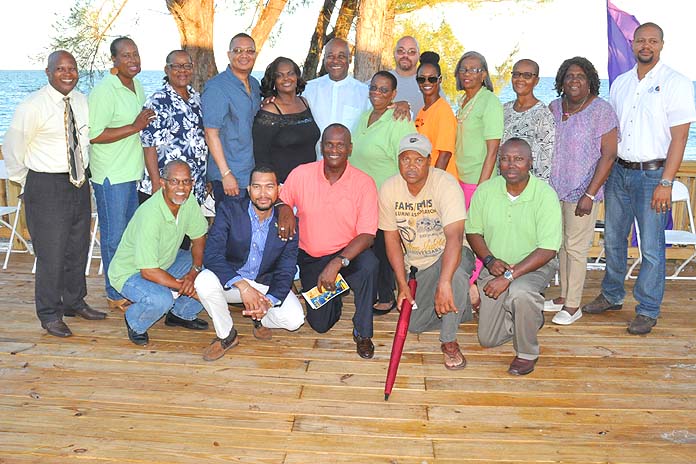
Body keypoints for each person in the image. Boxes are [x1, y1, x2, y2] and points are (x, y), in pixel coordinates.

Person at [582, 22, 696, 335]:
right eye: (641, 40)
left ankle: (647, 308)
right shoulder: (619, 82)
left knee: (651, 247)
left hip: (653, 176)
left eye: (653, 41)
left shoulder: (677, 83)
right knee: (614, 239)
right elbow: (611, 131)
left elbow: (680, 138)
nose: (646, 45)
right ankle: (612, 294)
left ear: (662, 44)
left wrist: (667, 182)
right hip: (619, 172)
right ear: (633, 44)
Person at [3, 50, 106, 337]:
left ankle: (74, 301)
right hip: (46, 185)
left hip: (78, 182)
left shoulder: (81, 101)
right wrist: (28, 182)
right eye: (60, 69)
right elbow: (13, 147)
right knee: (51, 253)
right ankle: (49, 314)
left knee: (78, 246)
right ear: (48, 72)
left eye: (72, 68)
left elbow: (85, 142)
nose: (67, 73)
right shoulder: (32, 106)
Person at [280, 124, 379, 359]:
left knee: (370, 265)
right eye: (329, 144)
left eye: (340, 145)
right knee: (320, 325)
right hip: (311, 256)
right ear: (321, 147)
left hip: (347, 255)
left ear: (350, 149)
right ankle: (335, 295)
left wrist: (337, 263)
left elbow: (367, 235)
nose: (334, 150)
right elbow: (281, 199)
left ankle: (363, 332)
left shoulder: (364, 182)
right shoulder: (301, 173)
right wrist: (283, 208)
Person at [466, 138, 561, 376]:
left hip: (534, 265)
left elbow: (548, 249)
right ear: (499, 162)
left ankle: (527, 353)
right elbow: (473, 231)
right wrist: (489, 260)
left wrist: (509, 276)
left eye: (518, 159)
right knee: (488, 339)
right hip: (496, 265)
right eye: (506, 159)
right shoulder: (486, 190)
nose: (511, 164)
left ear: (530, 163)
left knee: (521, 292)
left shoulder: (545, 195)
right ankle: (528, 318)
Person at [380, 133, 475, 369]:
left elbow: (455, 236)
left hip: (450, 254)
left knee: (454, 278)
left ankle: (449, 341)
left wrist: (444, 283)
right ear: (398, 160)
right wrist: (402, 284)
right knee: (414, 324)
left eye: (418, 160)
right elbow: (391, 239)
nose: (411, 166)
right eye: (405, 159)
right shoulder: (390, 188)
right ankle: (464, 302)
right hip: (417, 264)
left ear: (429, 161)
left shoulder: (445, 183)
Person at [194, 165, 305, 360]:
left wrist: (268, 301)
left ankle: (259, 317)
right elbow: (211, 254)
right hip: (233, 281)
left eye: (269, 187)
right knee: (203, 281)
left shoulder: (288, 222)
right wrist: (243, 286)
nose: (263, 193)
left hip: (264, 283)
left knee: (295, 320)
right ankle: (227, 335)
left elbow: (286, 269)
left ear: (278, 190)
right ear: (249, 189)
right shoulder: (230, 210)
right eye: (257, 187)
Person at [545, 57, 619, 325]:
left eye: (580, 76)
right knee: (562, 245)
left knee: (576, 247)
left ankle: (574, 305)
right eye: (569, 76)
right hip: (555, 190)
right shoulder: (554, 107)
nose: (574, 80)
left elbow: (609, 155)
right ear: (561, 81)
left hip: (583, 192)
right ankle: (565, 297)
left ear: (590, 82)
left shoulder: (602, 110)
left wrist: (589, 194)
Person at [108, 161, 209, 346]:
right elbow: (148, 271)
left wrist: (194, 271)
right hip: (131, 272)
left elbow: (199, 236)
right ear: (163, 183)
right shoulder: (150, 215)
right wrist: (184, 286)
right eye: (175, 182)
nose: (181, 188)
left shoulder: (189, 200)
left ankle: (180, 314)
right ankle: (135, 322)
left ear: (192, 183)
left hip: (165, 261)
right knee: (161, 299)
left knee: (208, 269)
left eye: (186, 182)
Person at [89, 37, 155, 311]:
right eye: (126, 55)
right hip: (110, 176)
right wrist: (135, 126)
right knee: (114, 236)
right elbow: (95, 135)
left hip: (132, 174)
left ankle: (126, 284)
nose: (133, 60)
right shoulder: (105, 91)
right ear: (113, 61)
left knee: (128, 237)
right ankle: (114, 291)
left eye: (136, 54)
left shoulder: (137, 86)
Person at [350, 71, 416, 316]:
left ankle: (387, 296)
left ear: (394, 94)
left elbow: (409, 159)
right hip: (360, 197)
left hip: (385, 196)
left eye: (383, 90)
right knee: (366, 247)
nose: (377, 93)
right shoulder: (366, 115)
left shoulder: (399, 119)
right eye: (374, 88)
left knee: (385, 248)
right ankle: (368, 288)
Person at [453, 51, 504, 311]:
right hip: (460, 180)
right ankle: (467, 286)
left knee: (474, 235)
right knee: (462, 235)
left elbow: (493, 150)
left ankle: (472, 292)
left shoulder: (489, 102)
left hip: (478, 182)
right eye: (463, 69)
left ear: (483, 74)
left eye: (473, 69)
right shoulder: (464, 101)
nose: (467, 74)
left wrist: (483, 188)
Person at [139, 50, 208, 205]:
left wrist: (205, 178)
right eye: (176, 66)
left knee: (188, 228)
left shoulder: (197, 99)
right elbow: (149, 145)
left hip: (193, 185)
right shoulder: (157, 101)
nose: (182, 70)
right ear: (166, 69)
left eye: (187, 66)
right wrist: (156, 183)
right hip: (167, 186)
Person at [203, 33, 260, 207]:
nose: (244, 55)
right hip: (229, 176)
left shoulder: (255, 84)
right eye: (238, 50)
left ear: (255, 55)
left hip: (251, 172)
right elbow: (210, 133)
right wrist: (225, 174)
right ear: (229, 55)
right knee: (231, 231)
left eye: (250, 51)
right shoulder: (216, 87)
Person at [253, 57, 320, 183]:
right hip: (283, 184)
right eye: (280, 75)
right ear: (274, 81)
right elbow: (260, 156)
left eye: (290, 73)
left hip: (309, 182)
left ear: (297, 76)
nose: (286, 78)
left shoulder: (304, 102)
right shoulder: (269, 111)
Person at [302, 38, 371, 140]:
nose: (335, 60)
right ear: (324, 59)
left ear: (350, 59)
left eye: (341, 56)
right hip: (314, 155)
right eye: (330, 56)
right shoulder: (308, 89)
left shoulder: (365, 93)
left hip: (351, 155)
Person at [502, 59, 555, 182]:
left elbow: (544, 164)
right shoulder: (504, 110)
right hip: (502, 185)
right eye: (516, 74)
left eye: (527, 75)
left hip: (527, 189)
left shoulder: (543, 115)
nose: (520, 79)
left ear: (536, 81)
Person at [414, 51, 458, 178]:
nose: (426, 82)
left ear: (440, 80)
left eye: (432, 79)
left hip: (440, 183)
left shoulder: (443, 111)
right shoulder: (423, 111)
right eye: (422, 79)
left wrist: (433, 185)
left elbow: (444, 155)